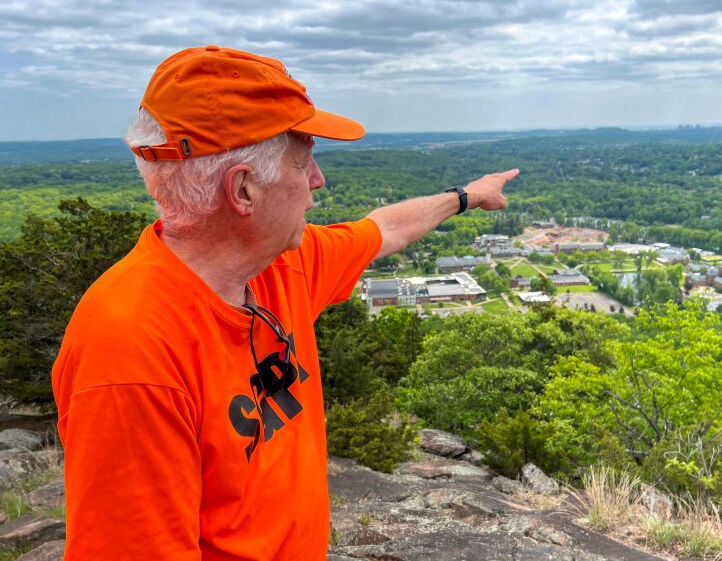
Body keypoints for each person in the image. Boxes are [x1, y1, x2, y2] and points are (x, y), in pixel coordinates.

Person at [51, 45, 518, 560]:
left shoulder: (279, 265)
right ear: (243, 190)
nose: (318, 179)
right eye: (305, 157)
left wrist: (467, 196)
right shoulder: (130, 354)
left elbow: (383, 229)